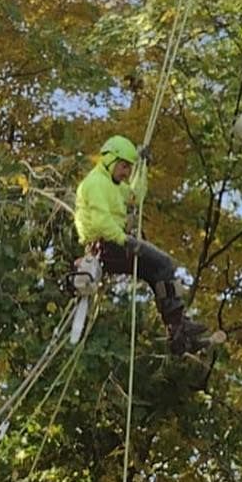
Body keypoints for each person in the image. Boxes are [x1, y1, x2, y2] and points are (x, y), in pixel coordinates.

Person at [73, 135, 211, 356]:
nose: (126, 172)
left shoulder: (113, 184)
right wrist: (125, 240)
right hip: (107, 245)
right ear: (109, 159)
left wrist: (143, 167)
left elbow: (134, 197)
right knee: (164, 264)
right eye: (124, 166)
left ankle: (178, 332)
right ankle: (178, 324)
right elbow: (101, 222)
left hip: (113, 243)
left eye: (129, 168)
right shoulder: (95, 183)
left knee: (158, 273)